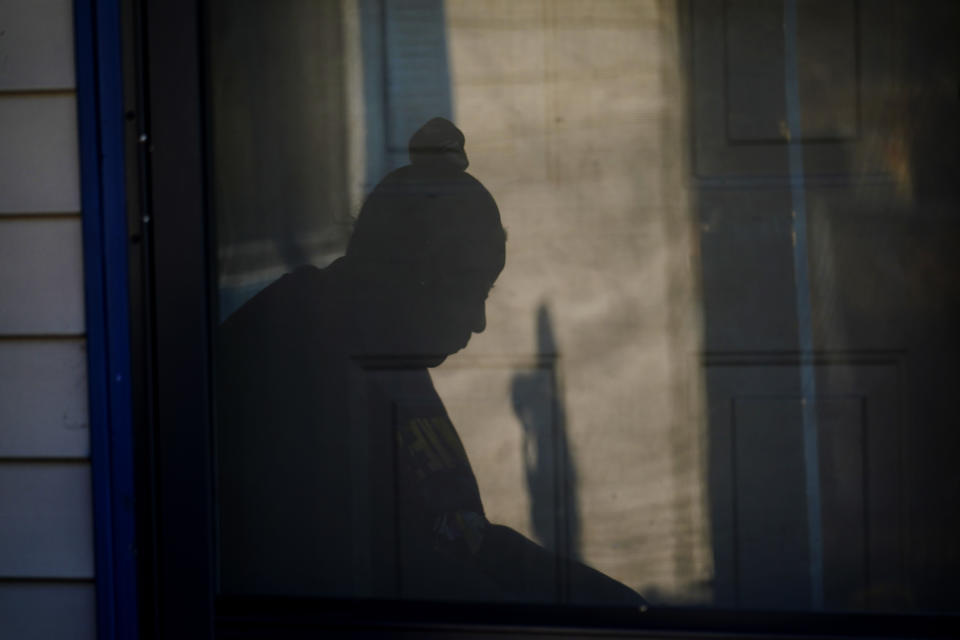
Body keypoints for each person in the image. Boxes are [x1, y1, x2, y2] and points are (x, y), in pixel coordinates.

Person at [216, 118, 641, 606]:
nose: (479, 322)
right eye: (472, 292)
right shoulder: (299, 363)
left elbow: (465, 539)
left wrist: (610, 604)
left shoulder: (381, 346)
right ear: (415, 274)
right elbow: (392, 580)